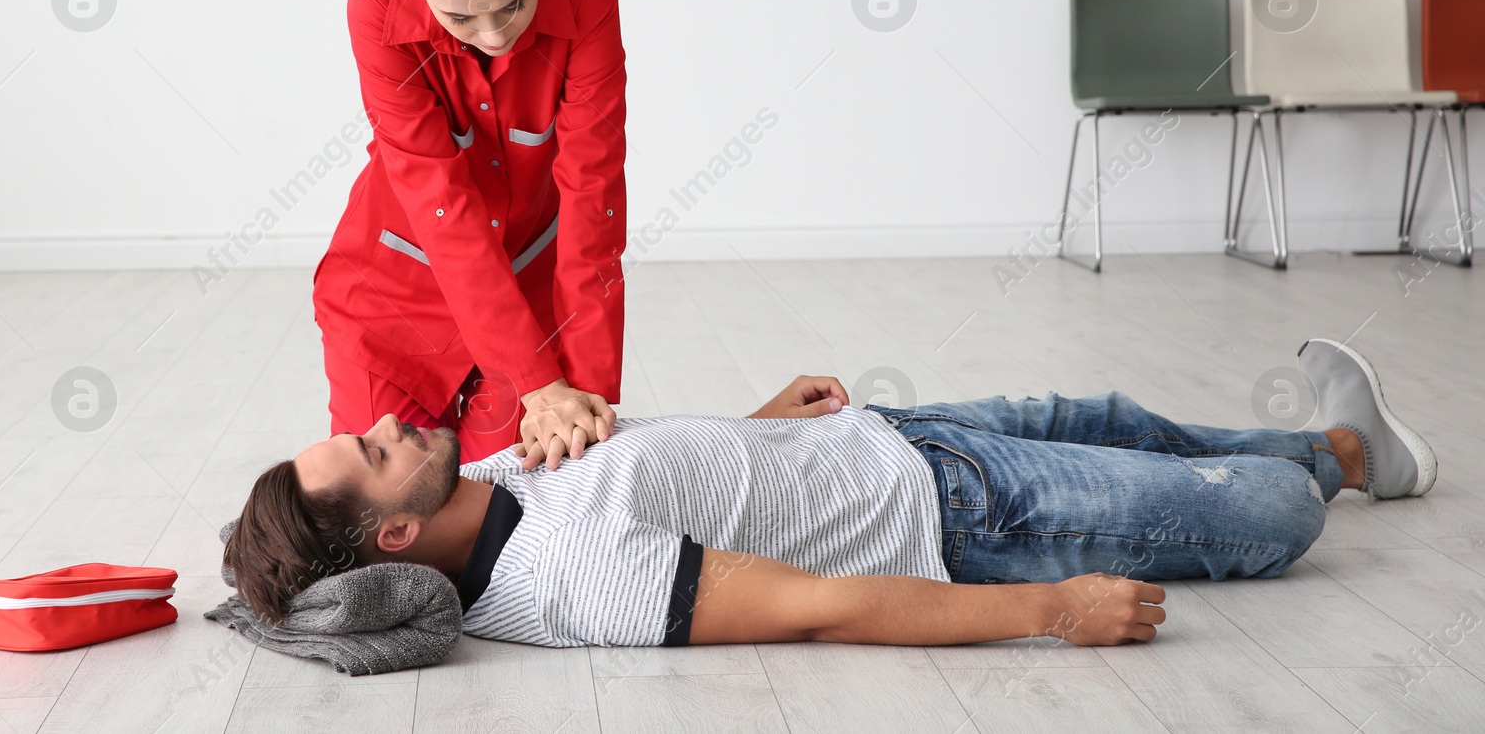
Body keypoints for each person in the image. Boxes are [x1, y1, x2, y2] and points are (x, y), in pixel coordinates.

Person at [223, 338, 1436, 648]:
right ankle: (1325, 466)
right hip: (965, 516)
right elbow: (817, 605)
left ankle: (1351, 445)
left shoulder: (476, 486)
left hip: (881, 436)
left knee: (1115, 416)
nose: (389, 421)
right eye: (372, 449)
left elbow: (655, 472)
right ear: (392, 530)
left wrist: (759, 421)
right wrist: (1052, 610)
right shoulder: (566, 575)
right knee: (1266, 517)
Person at [312, 0, 625, 470]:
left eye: (512, 4)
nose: (493, 34)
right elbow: (441, 203)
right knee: (388, 514)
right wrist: (537, 382)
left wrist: (584, 401)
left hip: (531, 299)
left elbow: (594, 193)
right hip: (393, 303)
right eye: (460, 16)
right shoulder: (375, 9)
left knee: (522, 494)